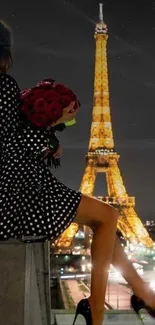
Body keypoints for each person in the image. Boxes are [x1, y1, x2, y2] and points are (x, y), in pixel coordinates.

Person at [0, 20, 155, 325]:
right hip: (16, 197)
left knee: (107, 219)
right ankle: (103, 309)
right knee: (108, 217)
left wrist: (46, 139)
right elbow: (9, 147)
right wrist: (55, 123)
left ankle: (137, 297)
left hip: (12, 195)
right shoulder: (4, 86)